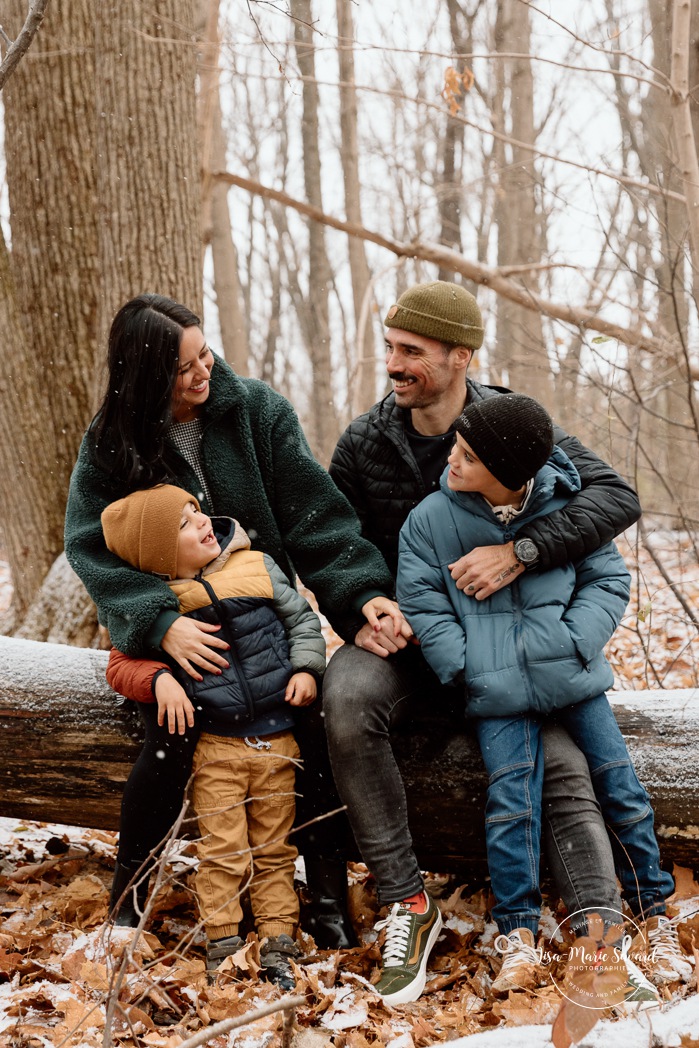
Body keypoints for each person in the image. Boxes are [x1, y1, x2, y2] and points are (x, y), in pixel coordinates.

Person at [322, 280, 645, 1005]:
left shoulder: (511, 425)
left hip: (511, 647)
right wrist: (360, 604)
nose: (393, 363)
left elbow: (614, 498)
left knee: (559, 765)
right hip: (410, 638)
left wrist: (521, 553)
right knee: (345, 699)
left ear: (460, 357)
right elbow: (335, 541)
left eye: (411, 351)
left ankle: (599, 940)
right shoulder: (363, 441)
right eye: (389, 347)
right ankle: (407, 903)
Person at [64, 293, 396, 950]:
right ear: (145, 377)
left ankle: (326, 896)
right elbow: (89, 547)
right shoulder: (108, 444)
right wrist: (158, 623)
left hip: (265, 625)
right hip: (180, 634)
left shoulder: (255, 413)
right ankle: (128, 905)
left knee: (316, 731)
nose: (202, 371)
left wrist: (359, 597)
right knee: (170, 735)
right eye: (183, 367)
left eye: (204, 353)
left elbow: (316, 520)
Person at [397, 393, 692, 998]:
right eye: (458, 444)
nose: (451, 458)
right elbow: (424, 604)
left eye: (469, 455)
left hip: (573, 681)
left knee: (623, 789)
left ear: (510, 475)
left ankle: (654, 917)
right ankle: (519, 937)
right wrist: (469, 667)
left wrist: (573, 642)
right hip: (495, 691)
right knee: (512, 805)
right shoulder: (431, 519)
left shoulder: (562, 505)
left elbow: (607, 579)